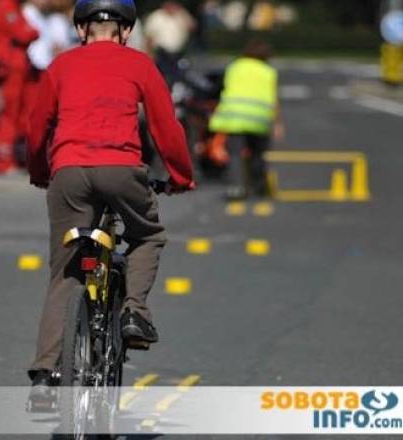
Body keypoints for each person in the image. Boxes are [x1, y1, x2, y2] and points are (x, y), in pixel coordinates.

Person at [25, 0, 195, 401]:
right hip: (121, 170)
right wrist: (181, 175)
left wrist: (38, 170)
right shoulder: (139, 65)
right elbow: (165, 126)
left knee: (65, 271)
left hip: (67, 172)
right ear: (126, 31)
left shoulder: (61, 66)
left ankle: (46, 374)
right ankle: (134, 311)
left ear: (81, 30)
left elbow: (37, 125)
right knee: (147, 235)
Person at [208, 39, 283, 200]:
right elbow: (274, 99)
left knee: (235, 154)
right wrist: (277, 123)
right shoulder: (269, 71)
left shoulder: (234, 67)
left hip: (235, 118)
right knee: (257, 154)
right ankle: (259, 186)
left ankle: (236, 188)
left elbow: (222, 88)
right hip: (259, 120)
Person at [0, 0, 39, 173]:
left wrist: (31, 32)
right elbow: (24, 33)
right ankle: (4, 160)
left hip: (20, 66)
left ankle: (21, 156)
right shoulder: (6, 7)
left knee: (25, 112)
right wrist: (31, 32)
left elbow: (30, 31)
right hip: (10, 67)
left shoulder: (15, 7)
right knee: (10, 114)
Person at [144, 1, 196, 84]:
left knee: (179, 77)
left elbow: (192, 27)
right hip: (162, 54)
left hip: (179, 53)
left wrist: (183, 13)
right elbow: (149, 37)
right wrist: (149, 54)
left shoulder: (180, 15)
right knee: (164, 78)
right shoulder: (156, 16)